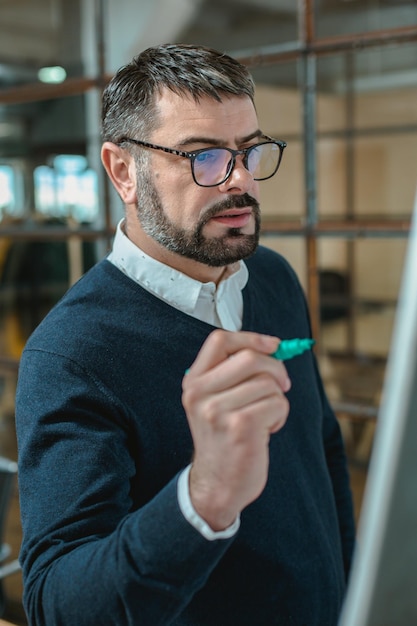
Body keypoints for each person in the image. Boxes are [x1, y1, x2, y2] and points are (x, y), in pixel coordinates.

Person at [15, 43, 356, 626]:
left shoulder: (272, 278)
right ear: (124, 171)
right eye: (203, 157)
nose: (240, 181)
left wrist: (351, 588)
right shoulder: (71, 355)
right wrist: (203, 499)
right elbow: (57, 604)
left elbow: (320, 445)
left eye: (249, 152)